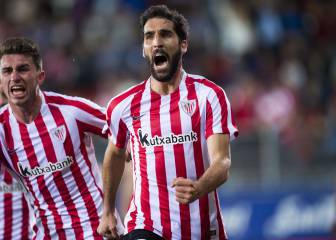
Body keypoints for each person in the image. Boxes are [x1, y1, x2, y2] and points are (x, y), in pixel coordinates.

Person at [98, 4, 238, 240]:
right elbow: (114, 154)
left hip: (201, 229)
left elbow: (222, 162)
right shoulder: (123, 106)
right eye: (149, 36)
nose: (156, 42)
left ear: (183, 44)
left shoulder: (208, 96)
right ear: (144, 49)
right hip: (146, 226)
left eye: (165, 34)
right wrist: (108, 211)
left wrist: (200, 187)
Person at [0, 37, 123, 239]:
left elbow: (125, 130)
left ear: (40, 77)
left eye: (22, 69)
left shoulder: (71, 111)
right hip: (46, 234)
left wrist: (123, 149)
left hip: (96, 230)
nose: (15, 77)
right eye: (7, 71)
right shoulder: (2, 129)